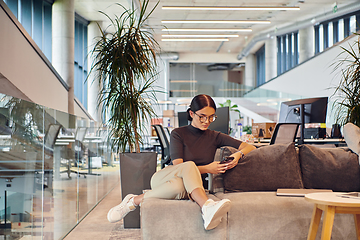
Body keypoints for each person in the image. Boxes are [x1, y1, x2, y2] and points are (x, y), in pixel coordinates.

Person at [107, 94, 256, 230]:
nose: (207, 121)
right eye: (202, 116)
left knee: (179, 187)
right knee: (188, 166)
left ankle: (134, 200)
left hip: (186, 187)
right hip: (166, 178)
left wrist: (237, 156)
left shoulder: (215, 136)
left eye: (211, 117)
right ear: (191, 114)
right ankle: (207, 206)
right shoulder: (178, 133)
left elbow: (249, 146)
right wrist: (208, 169)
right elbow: (180, 167)